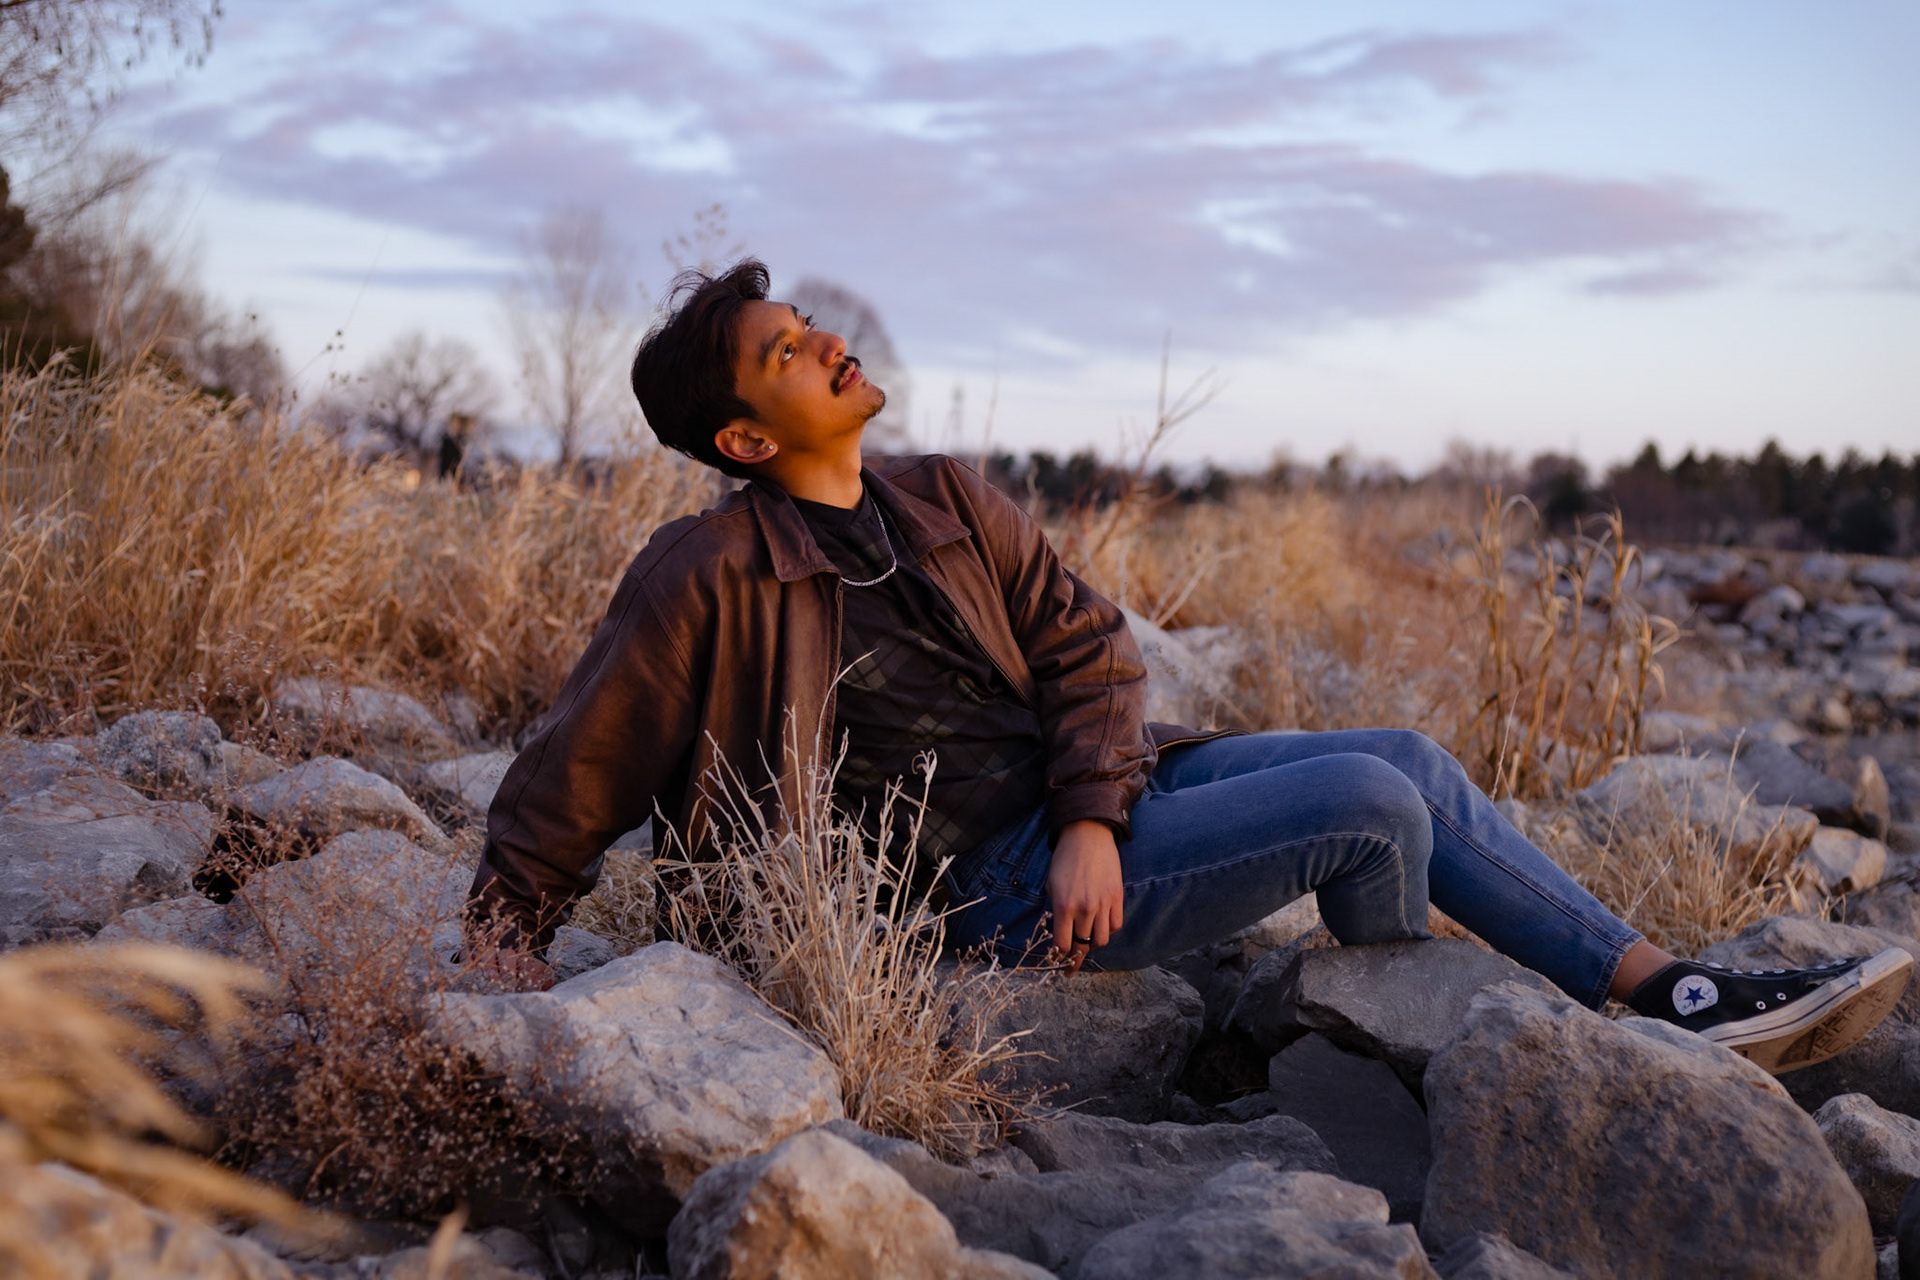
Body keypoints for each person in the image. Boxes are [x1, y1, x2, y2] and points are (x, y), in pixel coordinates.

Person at [464, 259, 1909, 1077]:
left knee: (1407, 760)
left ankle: (1665, 992)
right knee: (1370, 800)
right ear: (745, 439)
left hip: (1093, 818)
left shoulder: (942, 495)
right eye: (787, 352)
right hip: (969, 896)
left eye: (808, 327)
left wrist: (1097, 813)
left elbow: (1088, 645)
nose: (828, 340)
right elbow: (580, 764)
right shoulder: (707, 572)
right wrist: (502, 944)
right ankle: (1406, 1009)